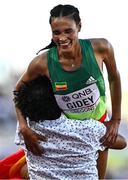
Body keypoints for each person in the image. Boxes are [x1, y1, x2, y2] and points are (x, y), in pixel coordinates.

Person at [13, 4, 127, 179]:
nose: (62, 38)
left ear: (79, 26)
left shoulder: (101, 48)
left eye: (68, 31)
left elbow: (114, 78)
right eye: (56, 33)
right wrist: (23, 127)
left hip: (99, 123)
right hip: (67, 127)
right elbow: (18, 90)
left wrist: (116, 119)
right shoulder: (41, 63)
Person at [14, 75, 107, 179]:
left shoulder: (26, 130)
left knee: (24, 170)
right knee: (103, 146)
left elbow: (17, 97)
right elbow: (121, 143)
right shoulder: (87, 128)